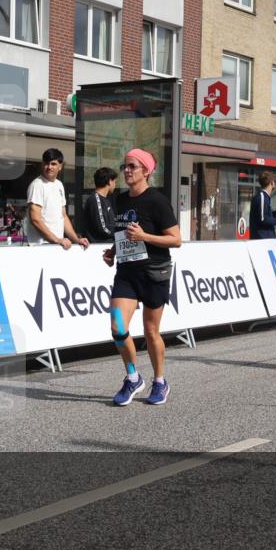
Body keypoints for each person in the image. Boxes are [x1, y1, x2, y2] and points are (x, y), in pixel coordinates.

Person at [102, 149, 182, 406]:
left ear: (146, 171)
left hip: (153, 273)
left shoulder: (157, 201)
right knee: (117, 327)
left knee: (150, 331)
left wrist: (145, 237)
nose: (127, 171)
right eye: (125, 166)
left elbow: (176, 240)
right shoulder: (121, 200)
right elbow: (123, 233)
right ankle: (133, 377)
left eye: (132, 167)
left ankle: (160, 381)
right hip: (126, 273)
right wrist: (113, 252)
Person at [24, 148, 89, 249]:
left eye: (53, 164)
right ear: (42, 164)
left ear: (60, 166)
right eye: (46, 163)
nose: (49, 167)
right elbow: (35, 219)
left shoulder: (59, 185)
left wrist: (76, 239)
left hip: (56, 245)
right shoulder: (37, 185)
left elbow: (63, 216)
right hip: (40, 246)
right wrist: (57, 240)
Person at [83, 167, 118, 243]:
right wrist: (119, 235)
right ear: (109, 181)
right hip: (98, 247)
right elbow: (103, 228)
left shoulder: (106, 199)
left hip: (107, 245)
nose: (115, 185)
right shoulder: (95, 199)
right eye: (115, 182)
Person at [249, 171, 276, 239]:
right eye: (275, 181)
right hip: (262, 239)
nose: (275, 183)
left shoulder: (264, 197)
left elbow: (263, 216)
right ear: (271, 182)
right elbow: (263, 219)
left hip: (264, 239)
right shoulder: (262, 197)